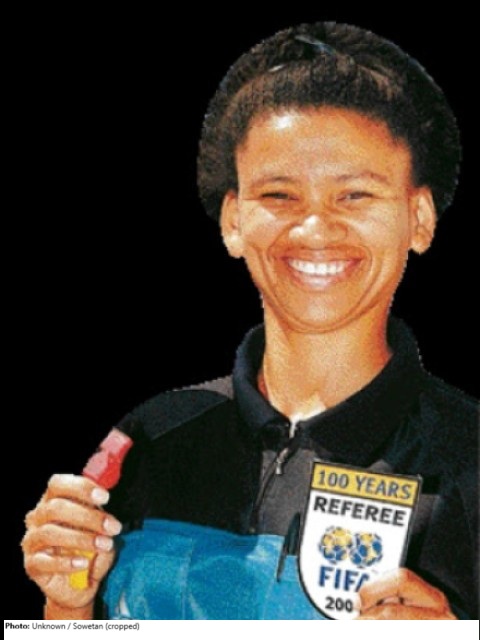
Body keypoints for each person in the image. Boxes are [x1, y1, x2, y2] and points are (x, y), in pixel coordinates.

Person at [22, 21, 478, 620]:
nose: (314, 229)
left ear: (419, 218)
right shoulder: (153, 440)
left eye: (355, 195)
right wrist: (65, 607)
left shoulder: (471, 460)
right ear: (233, 221)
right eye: (279, 195)